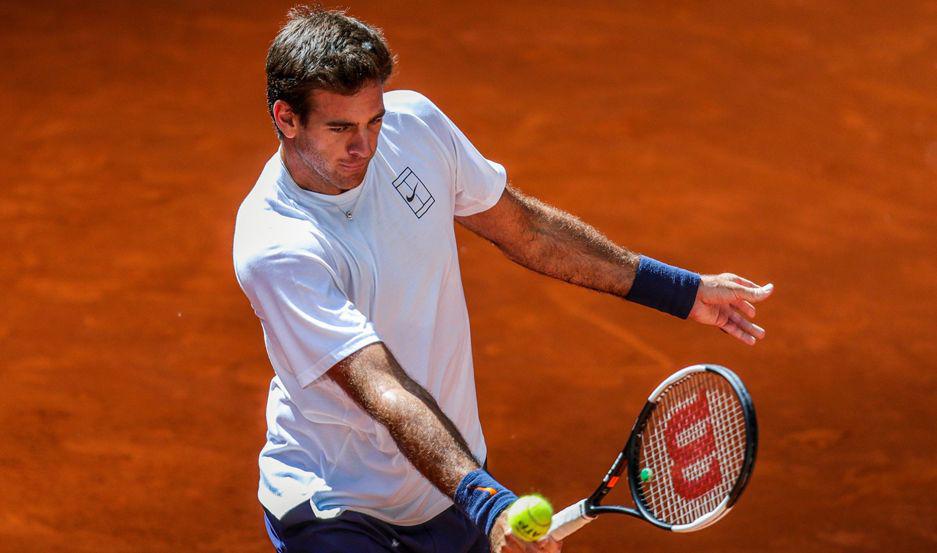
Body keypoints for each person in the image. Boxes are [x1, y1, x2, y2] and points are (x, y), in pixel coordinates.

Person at [233, 6, 774, 553]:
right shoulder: (277, 245)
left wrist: (681, 291)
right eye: (340, 128)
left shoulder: (414, 127)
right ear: (286, 117)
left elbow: (528, 230)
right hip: (336, 506)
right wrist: (488, 503)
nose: (366, 146)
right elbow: (382, 388)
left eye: (373, 120)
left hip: (449, 485)